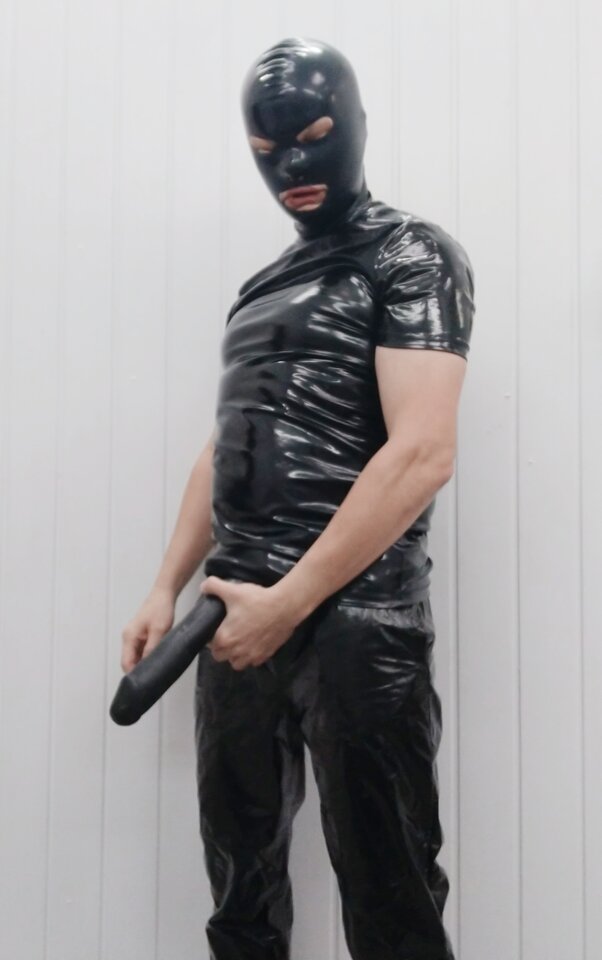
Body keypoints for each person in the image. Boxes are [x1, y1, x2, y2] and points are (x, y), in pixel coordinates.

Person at [121, 36, 474, 960]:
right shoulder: (260, 287)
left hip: (358, 617)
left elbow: (422, 452)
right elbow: (227, 444)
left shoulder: (411, 254)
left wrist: (291, 602)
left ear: (356, 126)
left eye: (313, 137)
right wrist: (164, 587)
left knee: (391, 893)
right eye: (267, 149)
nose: (292, 166)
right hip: (233, 614)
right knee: (240, 889)